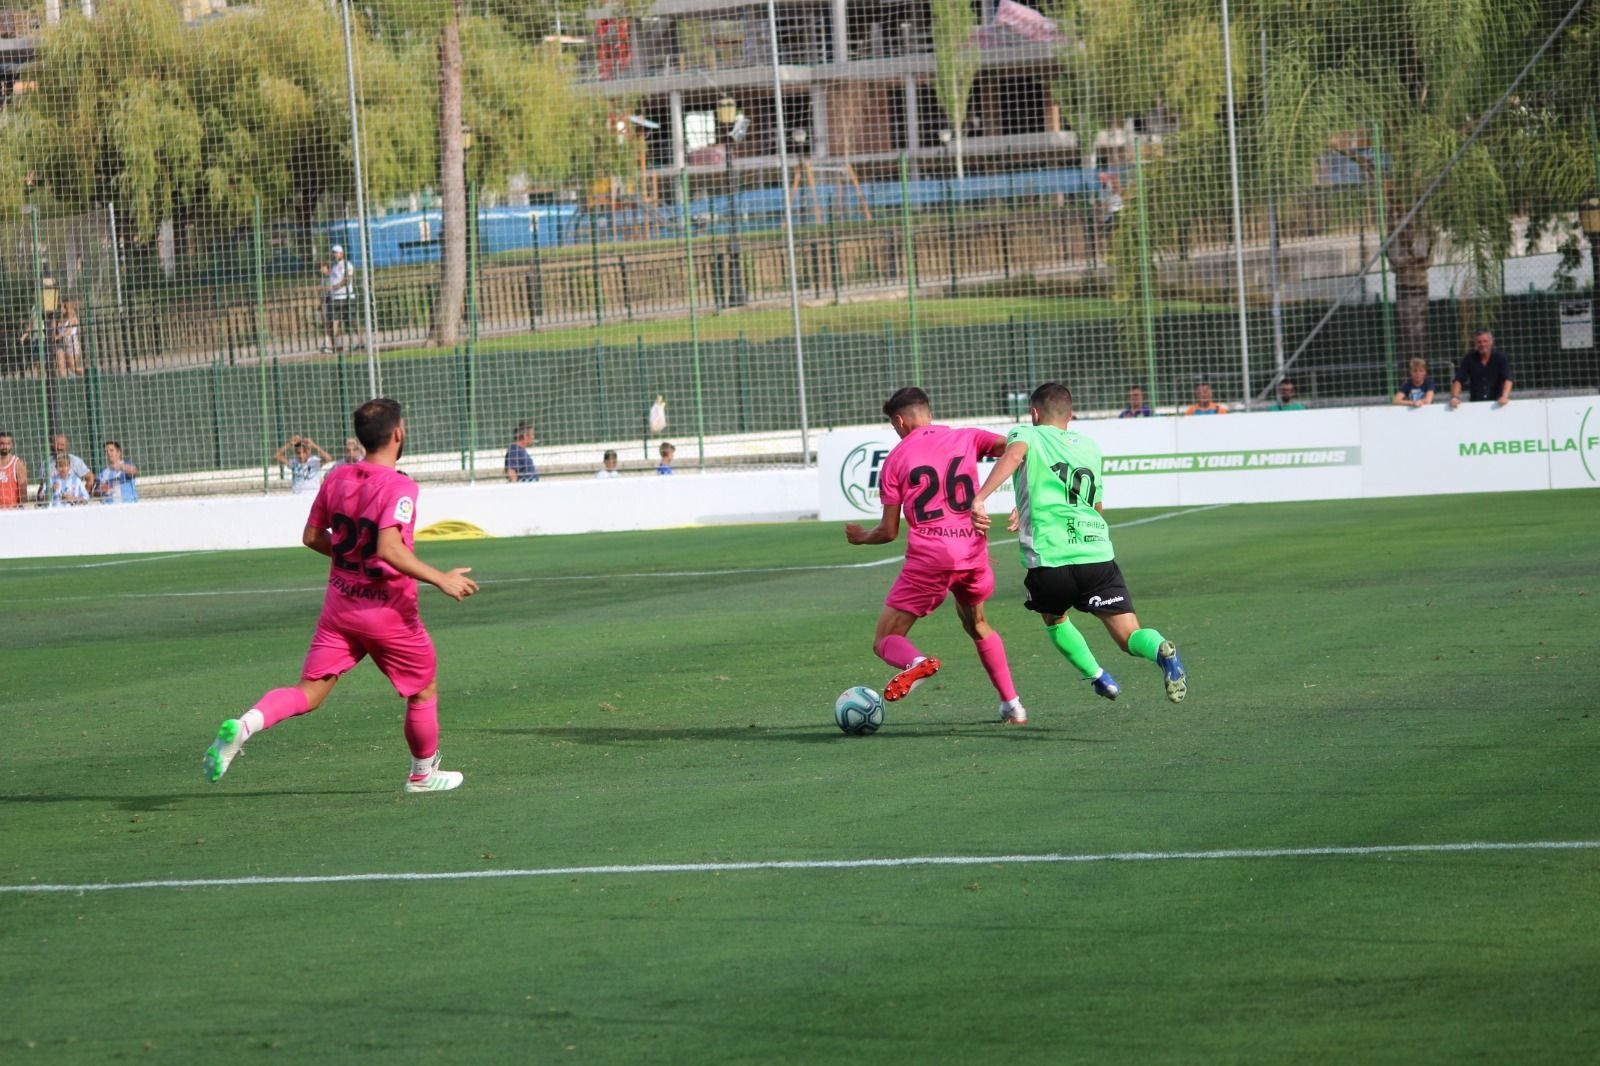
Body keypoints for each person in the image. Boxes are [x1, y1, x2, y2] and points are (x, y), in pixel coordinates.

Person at [203, 398, 479, 793]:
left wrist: (353, 559)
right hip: (387, 613)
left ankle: (245, 725)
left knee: (309, 692)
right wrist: (440, 578)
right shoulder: (401, 486)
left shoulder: (337, 477)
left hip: (340, 607)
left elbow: (312, 536)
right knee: (422, 689)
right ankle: (422, 774)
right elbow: (389, 548)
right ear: (398, 434)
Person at [970, 382, 1188, 705]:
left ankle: (1099, 676)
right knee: (1129, 636)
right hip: (1095, 554)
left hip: (1050, 558)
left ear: (1033, 413)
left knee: (1054, 619)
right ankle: (1160, 650)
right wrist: (1025, 505)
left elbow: (1014, 456)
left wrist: (980, 497)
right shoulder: (1090, 447)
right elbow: (1094, 507)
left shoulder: (1025, 434)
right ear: (1070, 416)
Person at [844, 387, 1027, 723]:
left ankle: (915, 663)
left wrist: (861, 538)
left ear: (899, 421)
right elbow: (1018, 449)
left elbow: (888, 532)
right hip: (972, 554)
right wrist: (1022, 501)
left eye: (894, 426)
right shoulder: (968, 437)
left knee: (886, 638)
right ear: (928, 412)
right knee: (979, 625)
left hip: (930, 560)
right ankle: (1012, 705)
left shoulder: (896, 459)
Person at [1450, 329, 1513, 408]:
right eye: (1479, 342)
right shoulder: (1469, 359)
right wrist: (1454, 397)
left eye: (1485, 341)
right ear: (1475, 344)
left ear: (1491, 342)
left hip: (1497, 404)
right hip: (1476, 405)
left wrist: (1505, 396)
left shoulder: (1500, 358)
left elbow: (1507, 379)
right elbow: (1458, 380)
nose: (1482, 344)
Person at [320, 245, 354, 353]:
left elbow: (346, 281)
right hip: (335, 298)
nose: (334, 254)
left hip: (346, 297)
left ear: (341, 253)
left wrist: (333, 287)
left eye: (336, 252)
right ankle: (337, 347)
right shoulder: (334, 268)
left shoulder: (347, 264)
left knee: (351, 322)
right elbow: (330, 282)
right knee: (334, 323)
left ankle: (361, 342)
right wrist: (327, 293)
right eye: (333, 252)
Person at [40, 433, 94, 501]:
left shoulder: (75, 461)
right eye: (57, 444)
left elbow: (90, 478)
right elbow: (42, 487)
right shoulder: (46, 464)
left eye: (62, 445)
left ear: (67, 446)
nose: (59, 447)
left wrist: (77, 498)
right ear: (52, 445)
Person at [96, 440, 139, 504]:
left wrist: (120, 467)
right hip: (109, 507)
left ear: (119, 452)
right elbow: (97, 491)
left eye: (111, 450)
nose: (108, 453)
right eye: (106, 451)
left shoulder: (127, 465)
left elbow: (135, 471)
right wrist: (101, 489)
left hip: (128, 505)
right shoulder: (103, 472)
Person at [53, 301, 82, 378]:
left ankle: (89, 374)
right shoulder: (59, 318)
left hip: (71, 341)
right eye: (61, 307)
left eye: (64, 307)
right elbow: (53, 329)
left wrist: (58, 336)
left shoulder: (73, 317)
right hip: (60, 343)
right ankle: (65, 384)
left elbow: (68, 330)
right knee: (60, 366)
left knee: (72, 367)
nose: (62, 309)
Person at [0, 431, 27, 509]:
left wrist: (22, 510)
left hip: (12, 511)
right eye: (2, 443)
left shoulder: (17, 464)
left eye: (8, 443)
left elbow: (23, 491)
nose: (5, 446)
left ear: (12, 445)